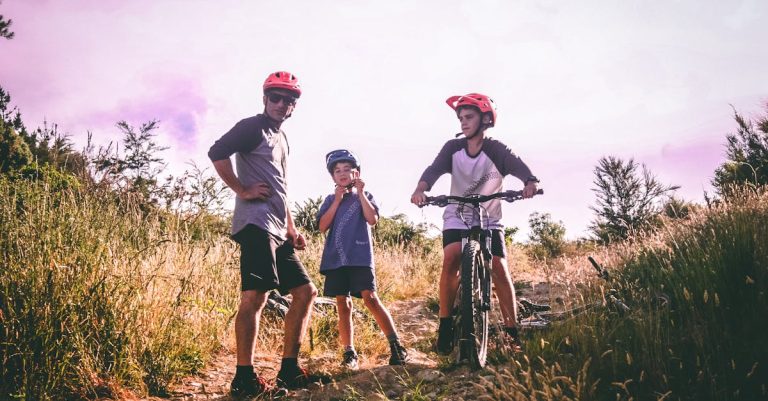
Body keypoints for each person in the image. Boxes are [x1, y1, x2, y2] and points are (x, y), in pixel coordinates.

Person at [208, 71, 325, 397]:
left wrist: (290, 226)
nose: (282, 104)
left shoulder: (282, 137)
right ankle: (243, 379)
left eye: (289, 100)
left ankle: (289, 370)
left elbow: (281, 187)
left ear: (293, 107)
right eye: (276, 97)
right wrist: (241, 189)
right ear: (265, 99)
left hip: (277, 227)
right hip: (256, 225)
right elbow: (217, 152)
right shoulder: (252, 127)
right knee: (255, 297)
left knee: (306, 292)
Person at [410, 93, 539, 354]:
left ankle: (512, 332)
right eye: (460, 118)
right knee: (451, 256)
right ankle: (445, 326)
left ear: (485, 119)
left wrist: (530, 183)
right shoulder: (452, 148)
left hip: (489, 215)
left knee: (499, 267)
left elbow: (518, 167)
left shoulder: (496, 149)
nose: (463, 122)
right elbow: (433, 171)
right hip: (457, 212)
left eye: (469, 117)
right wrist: (420, 190)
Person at [316, 149, 408, 370]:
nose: (342, 173)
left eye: (347, 169)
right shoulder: (330, 199)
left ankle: (396, 346)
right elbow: (321, 227)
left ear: (356, 172)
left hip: (359, 256)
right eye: (337, 170)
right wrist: (337, 201)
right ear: (332, 176)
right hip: (336, 259)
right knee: (343, 304)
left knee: (371, 298)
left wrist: (361, 193)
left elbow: (372, 219)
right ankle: (349, 353)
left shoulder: (365, 196)